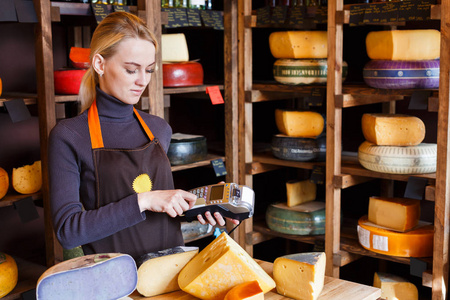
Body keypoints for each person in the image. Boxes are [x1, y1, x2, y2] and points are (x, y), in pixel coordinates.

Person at [49, 11, 238, 259]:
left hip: (171, 272)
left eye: (149, 70)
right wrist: (143, 201)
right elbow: (68, 231)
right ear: (99, 64)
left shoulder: (159, 129)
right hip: (116, 282)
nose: (142, 81)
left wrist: (207, 210)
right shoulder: (69, 135)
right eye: (131, 70)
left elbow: (160, 210)